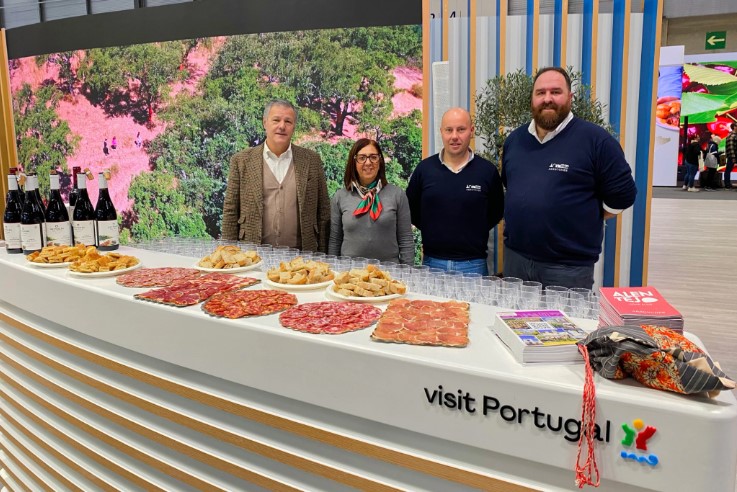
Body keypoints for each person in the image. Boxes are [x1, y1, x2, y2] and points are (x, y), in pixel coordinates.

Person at [501, 67, 637, 289]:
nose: (547, 99)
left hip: (568, 269)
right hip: (515, 262)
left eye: (556, 92)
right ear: (532, 98)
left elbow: (623, 195)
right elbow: (512, 185)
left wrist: (585, 215)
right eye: (540, 92)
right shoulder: (514, 140)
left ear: (570, 97)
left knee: (565, 315)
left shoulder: (596, 141)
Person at [221, 99, 330, 252]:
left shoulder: (311, 160)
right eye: (276, 120)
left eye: (288, 121)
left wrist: (324, 256)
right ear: (265, 122)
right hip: (252, 254)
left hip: (301, 256)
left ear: (294, 126)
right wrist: (228, 253)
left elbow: (323, 211)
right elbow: (231, 211)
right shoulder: (241, 161)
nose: (282, 126)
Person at [406, 107, 504, 275]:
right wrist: (433, 229)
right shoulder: (424, 169)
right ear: (441, 132)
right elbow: (411, 210)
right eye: (449, 130)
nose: (454, 136)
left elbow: (496, 212)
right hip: (432, 263)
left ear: (471, 131)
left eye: (461, 129)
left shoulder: (487, 171)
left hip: (473, 266)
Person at [328, 138, 414, 265]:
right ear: (354, 162)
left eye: (373, 157)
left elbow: (406, 240)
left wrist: (407, 272)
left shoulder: (397, 195)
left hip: (388, 272)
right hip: (350, 272)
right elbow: (335, 241)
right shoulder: (340, 197)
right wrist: (333, 269)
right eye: (362, 158)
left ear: (380, 161)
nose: (368, 163)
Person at [726, 123, 737, 190]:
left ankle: (728, 184)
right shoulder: (732, 136)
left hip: (732, 155)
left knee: (728, 170)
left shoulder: (731, 135)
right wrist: (733, 157)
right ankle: (727, 185)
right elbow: (731, 147)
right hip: (733, 155)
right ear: (734, 127)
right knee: (728, 170)